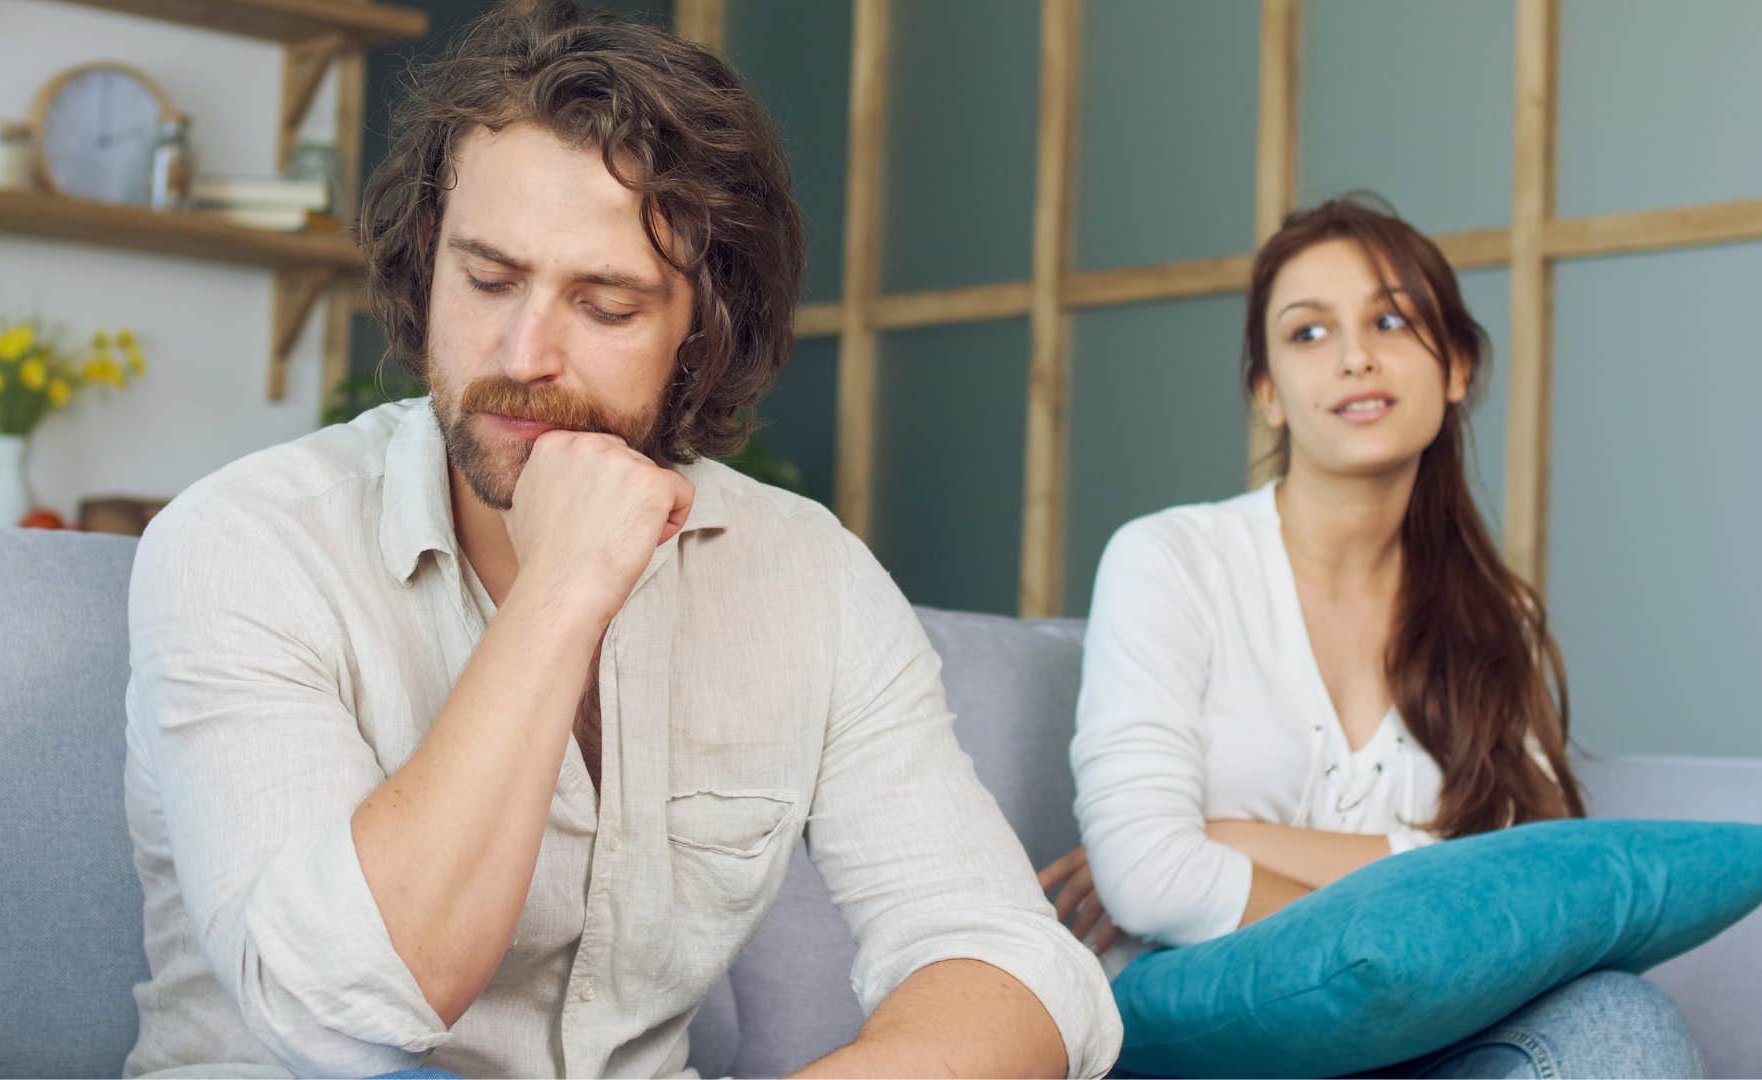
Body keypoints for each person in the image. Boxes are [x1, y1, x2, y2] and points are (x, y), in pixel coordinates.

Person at [121, 5, 1119, 1076]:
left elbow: (1012, 959)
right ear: (426, 263)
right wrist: (564, 586)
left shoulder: (803, 574)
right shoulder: (247, 544)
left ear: (705, 333)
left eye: (605, 306)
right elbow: (346, 1004)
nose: (523, 351)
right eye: (489, 279)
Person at [1040, 195, 1703, 1078]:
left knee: (1622, 1017)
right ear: (1268, 393)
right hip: (1207, 1037)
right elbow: (1144, 876)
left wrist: (1234, 836)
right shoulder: (1169, 560)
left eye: (1390, 320)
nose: (1355, 357)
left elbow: (1524, 881)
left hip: (1420, 1047)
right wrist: (1418, 919)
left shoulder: (1490, 620)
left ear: (1456, 365)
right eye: (1308, 334)